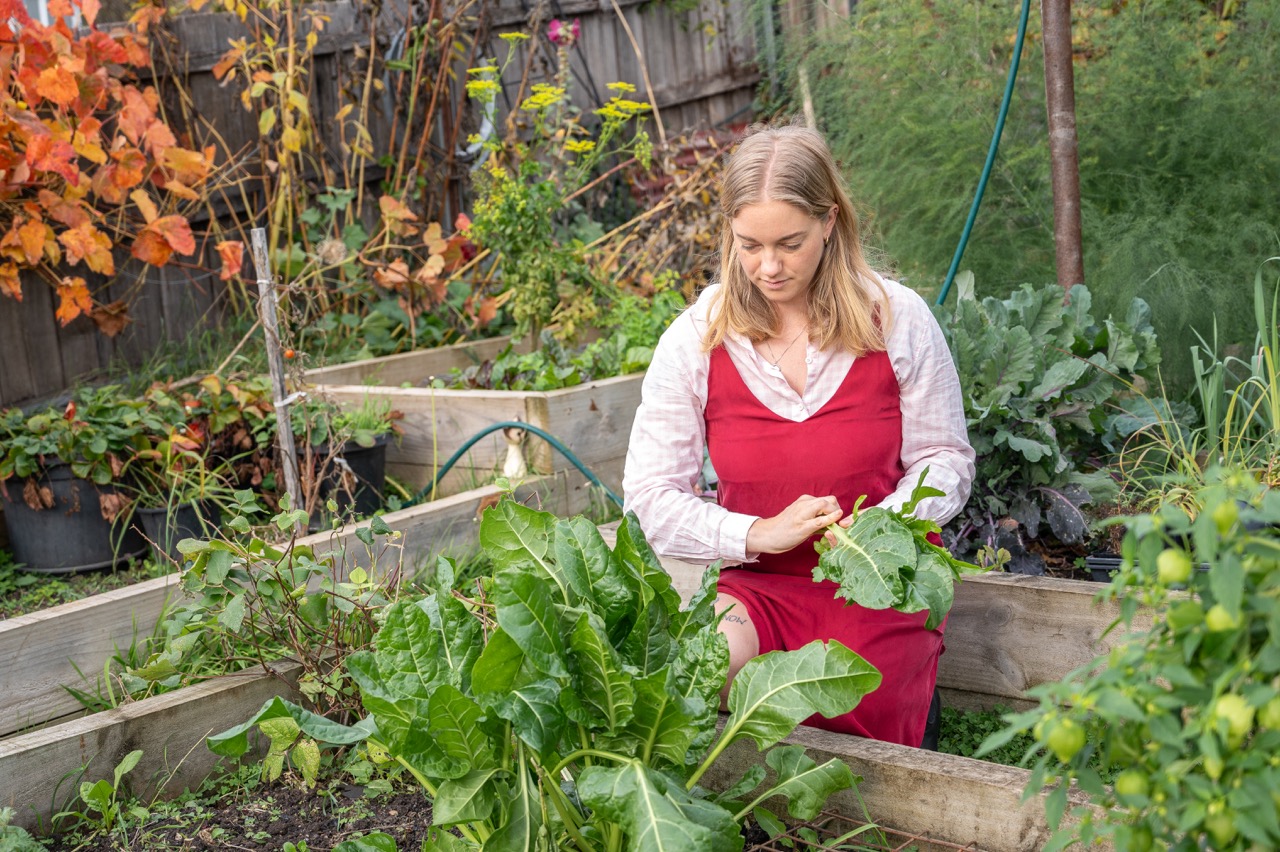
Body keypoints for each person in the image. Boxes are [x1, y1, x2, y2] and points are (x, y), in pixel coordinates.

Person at [622, 123, 975, 748]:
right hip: (759, 583)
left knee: (860, 701)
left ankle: (915, 701)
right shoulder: (697, 338)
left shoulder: (896, 320)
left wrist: (880, 528)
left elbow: (945, 458)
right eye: (748, 245)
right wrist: (756, 533)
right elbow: (650, 497)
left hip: (872, 580)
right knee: (702, 681)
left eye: (790, 243)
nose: (768, 266)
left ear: (830, 222)